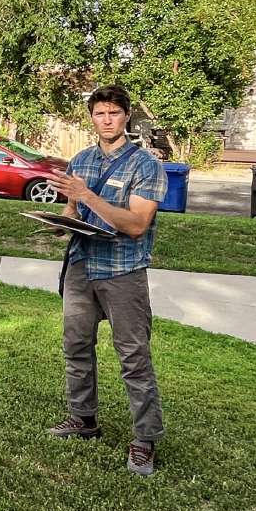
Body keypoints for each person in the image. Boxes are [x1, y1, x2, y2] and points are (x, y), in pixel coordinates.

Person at [46, 84, 167, 476]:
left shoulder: (145, 165)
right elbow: (73, 210)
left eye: (114, 112)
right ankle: (84, 419)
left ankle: (144, 440)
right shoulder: (79, 160)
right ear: (92, 118)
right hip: (82, 265)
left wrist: (87, 195)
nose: (107, 119)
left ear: (126, 116)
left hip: (122, 271)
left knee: (133, 356)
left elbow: (136, 224)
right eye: (100, 113)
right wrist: (57, 223)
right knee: (76, 347)